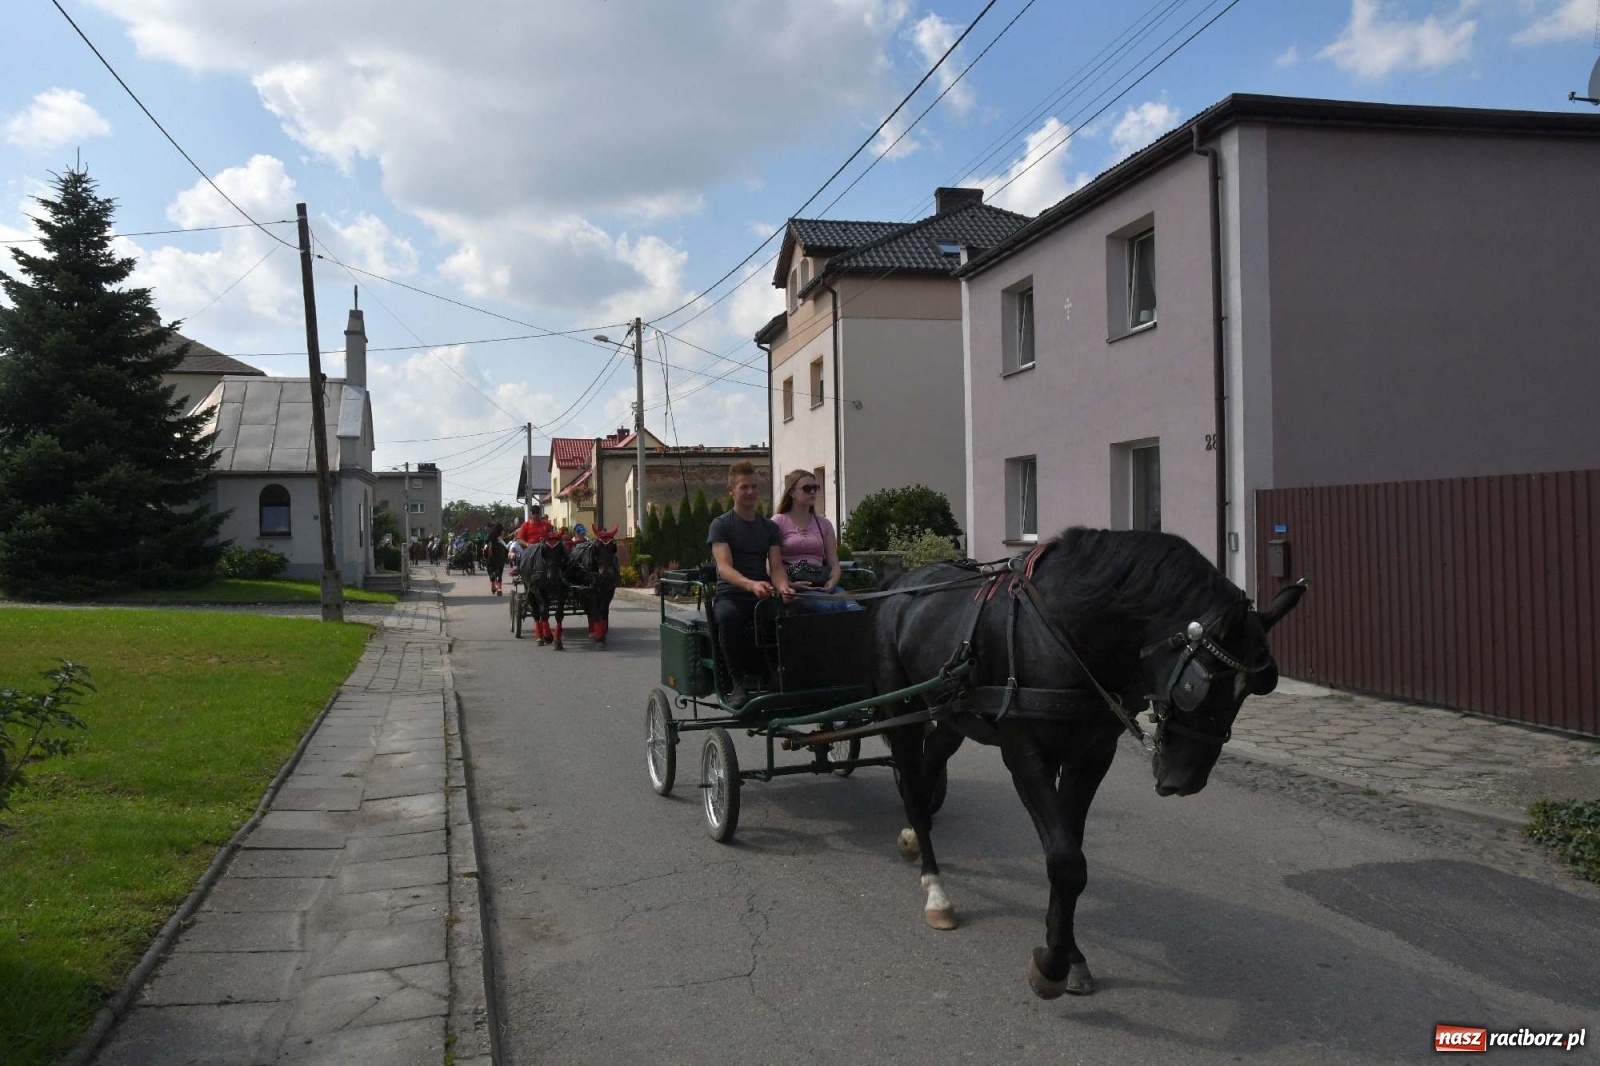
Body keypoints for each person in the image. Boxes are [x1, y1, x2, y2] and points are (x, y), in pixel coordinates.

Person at [707, 460, 792, 709]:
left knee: (786, 617)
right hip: (731, 595)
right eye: (744, 487)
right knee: (728, 618)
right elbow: (724, 567)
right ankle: (737, 683)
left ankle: (777, 673)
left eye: (754, 487)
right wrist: (750, 584)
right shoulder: (721, 525)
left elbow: (776, 567)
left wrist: (784, 586)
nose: (751, 492)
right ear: (731, 490)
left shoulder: (769, 527)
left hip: (762, 594)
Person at [772, 469, 860, 613]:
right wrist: (788, 585)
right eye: (807, 488)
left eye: (815, 488)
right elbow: (772, 566)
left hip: (822, 584)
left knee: (857, 611)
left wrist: (832, 582)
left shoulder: (824, 524)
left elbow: (834, 564)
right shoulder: (778, 522)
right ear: (792, 493)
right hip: (796, 591)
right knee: (835, 607)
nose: (812, 492)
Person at [484, 522, 509, 596]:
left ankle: (505, 558)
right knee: (485, 548)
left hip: (496, 542)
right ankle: (485, 558)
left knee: (506, 547)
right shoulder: (493, 530)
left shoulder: (497, 529)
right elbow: (488, 538)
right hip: (493, 542)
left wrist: (500, 536)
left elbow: (501, 535)